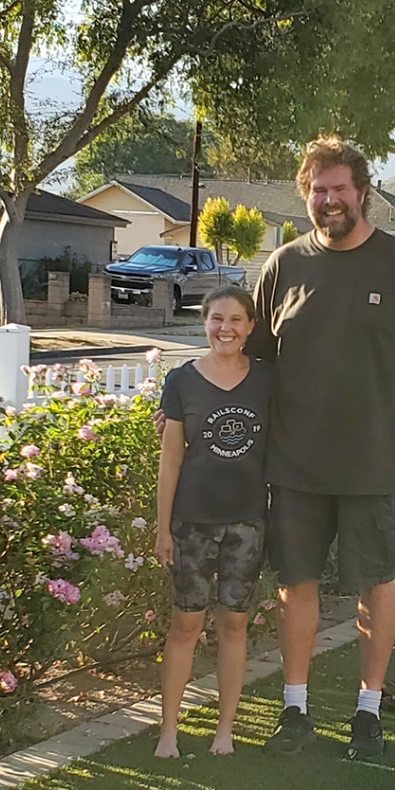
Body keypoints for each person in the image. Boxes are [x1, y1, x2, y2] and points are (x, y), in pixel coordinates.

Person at [253, 136, 395, 758]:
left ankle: (368, 712)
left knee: (376, 583)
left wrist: (378, 388)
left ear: (362, 192)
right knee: (296, 581)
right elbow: (256, 357)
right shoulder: (283, 265)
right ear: (304, 194)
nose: (330, 200)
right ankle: (295, 709)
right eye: (319, 189)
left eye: (341, 188)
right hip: (293, 462)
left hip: (374, 461)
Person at [154, 285, 272, 758]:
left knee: (235, 625)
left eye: (236, 320)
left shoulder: (267, 379)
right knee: (185, 623)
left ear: (250, 328)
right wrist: (163, 528)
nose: (226, 328)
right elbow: (170, 462)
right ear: (204, 323)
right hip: (191, 523)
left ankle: (225, 731)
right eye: (216, 319)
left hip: (248, 521)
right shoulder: (180, 382)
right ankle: (168, 731)